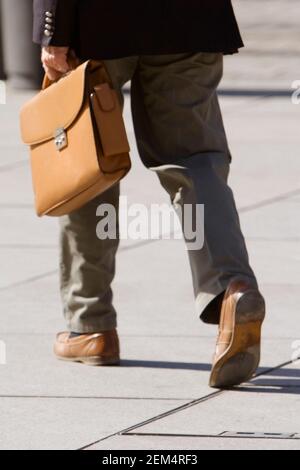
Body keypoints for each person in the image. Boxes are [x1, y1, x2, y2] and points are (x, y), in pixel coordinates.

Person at [33, 0, 265, 388]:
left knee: (87, 157)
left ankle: (90, 324)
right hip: (191, 18)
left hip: (95, 22)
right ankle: (231, 289)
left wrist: (52, 30)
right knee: (195, 160)